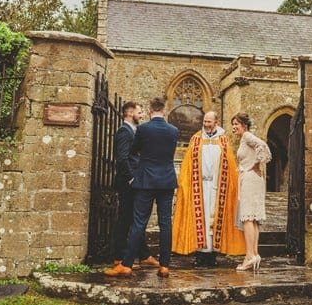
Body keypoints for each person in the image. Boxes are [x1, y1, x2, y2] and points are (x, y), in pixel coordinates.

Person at [105, 97, 178, 278]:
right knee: (165, 223)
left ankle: (127, 265)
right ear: (164, 110)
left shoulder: (143, 129)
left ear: (150, 110)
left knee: (139, 222)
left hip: (146, 181)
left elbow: (133, 150)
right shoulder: (174, 131)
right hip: (167, 180)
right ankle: (164, 266)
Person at [172, 111, 245, 267]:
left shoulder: (223, 140)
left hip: (218, 187)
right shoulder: (196, 139)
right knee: (201, 219)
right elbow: (187, 164)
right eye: (204, 121)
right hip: (199, 186)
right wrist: (185, 184)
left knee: (214, 219)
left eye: (209, 122)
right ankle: (200, 255)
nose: (206, 124)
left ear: (216, 122)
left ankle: (212, 255)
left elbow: (230, 164)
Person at [110, 101, 159, 270]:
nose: (142, 115)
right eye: (139, 112)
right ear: (130, 113)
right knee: (125, 219)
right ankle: (118, 257)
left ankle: (143, 255)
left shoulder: (132, 131)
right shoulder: (124, 132)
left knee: (133, 218)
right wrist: (131, 178)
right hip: (127, 183)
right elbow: (122, 158)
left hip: (133, 181)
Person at [231, 112, 271, 272]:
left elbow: (263, 146)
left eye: (236, 124)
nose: (234, 127)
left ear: (244, 125)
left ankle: (249, 256)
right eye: (233, 124)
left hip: (250, 178)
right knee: (253, 218)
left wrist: (255, 164)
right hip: (252, 178)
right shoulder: (245, 138)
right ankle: (254, 254)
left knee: (247, 217)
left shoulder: (247, 136)